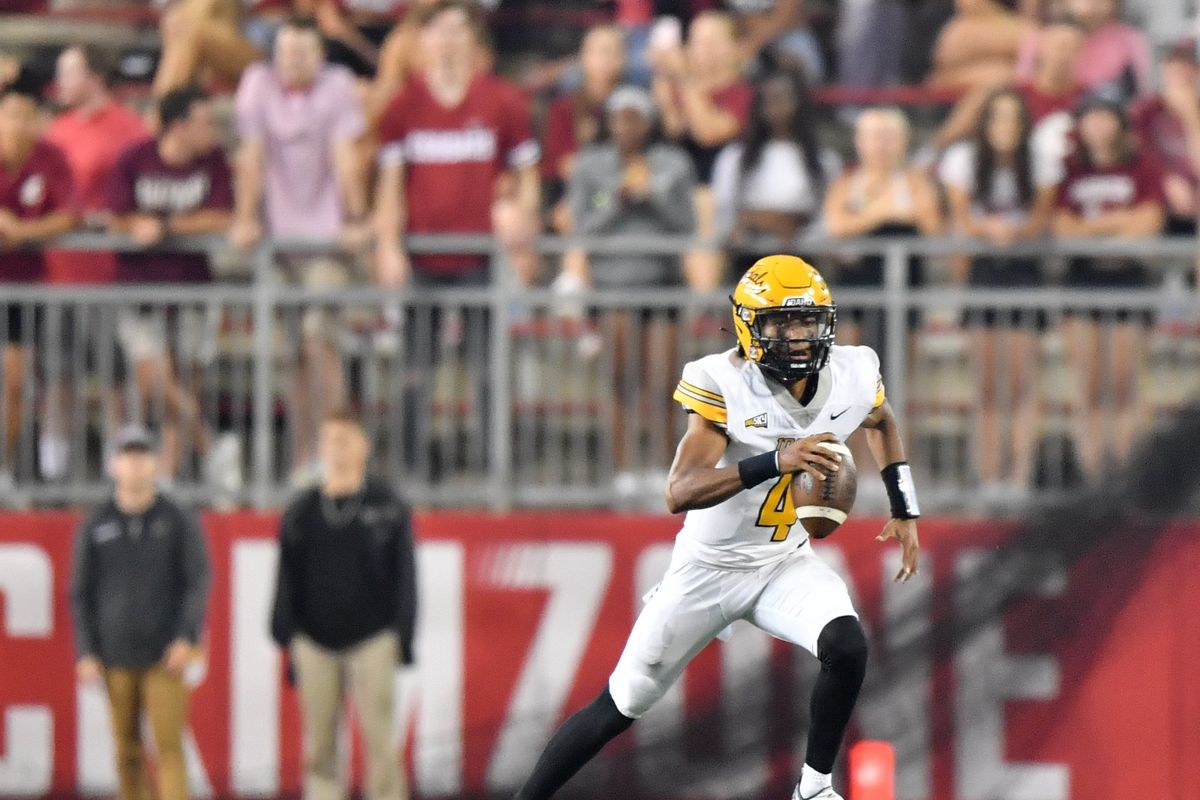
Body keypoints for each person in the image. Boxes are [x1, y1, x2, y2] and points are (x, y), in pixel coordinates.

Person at [513, 255, 922, 800]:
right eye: (782, 322)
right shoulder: (721, 382)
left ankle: (815, 788)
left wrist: (904, 505)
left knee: (847, 646)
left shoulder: (851, 371)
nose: (799, 337)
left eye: (808, 322)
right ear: (750, 326)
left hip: (782, 563)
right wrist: (776, 461)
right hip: (706, 571)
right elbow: (678, 491)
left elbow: (882, 419)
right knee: (620, 705)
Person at [231, 16, 369, 483]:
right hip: (277, 241)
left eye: (302, 52)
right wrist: (247, 217)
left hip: (326, 239)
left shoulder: (339, 86)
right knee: (290, 355)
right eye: (285, 52)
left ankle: (335, 453)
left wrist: (354, 218)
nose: (292, 61)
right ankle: (303, 456)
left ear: (320, 56)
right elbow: (251, 155)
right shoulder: (255, 84)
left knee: (320, 343)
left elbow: (346, 155)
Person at [270, 410, 417, 800]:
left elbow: (404, 574)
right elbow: (287, 575)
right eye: (329, 439)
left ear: (364, 446)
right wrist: (286, 633)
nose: (337, 448)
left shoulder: (387, 505)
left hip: (373, 638)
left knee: (381, 742)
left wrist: (400, 635)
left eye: (345, 439)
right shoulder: (301, 510)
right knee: (319, 748)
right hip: (314, 641)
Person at [107, 86, 240, 491]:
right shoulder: (134, 159)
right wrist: (136, 225)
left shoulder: (213, 161)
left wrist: (164, 227)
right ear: (179, 125)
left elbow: (221, 217)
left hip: (192, 287)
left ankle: (167, 476)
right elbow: (116, 217)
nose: (215, 130)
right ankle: (212, 447)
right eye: (206, 121)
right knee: (155, 379)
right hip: (140, 288)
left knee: (185, 383)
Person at [70, 424, 211, 800]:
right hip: (115, 653)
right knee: (126, 750)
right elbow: (80, 593)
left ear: (155, 463)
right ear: (114, 464)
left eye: (141, 455)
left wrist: (187, 636)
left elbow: (197, 581)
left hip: (165, 653)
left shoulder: (177, 519)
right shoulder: (97, 523)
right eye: (127, 456)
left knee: (168, 745)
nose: (134, 464)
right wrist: (85, 651)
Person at [566, 85, 695, 484]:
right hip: (613, 287)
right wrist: (615, 198)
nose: (626, 127)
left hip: (662, 282)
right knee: (622, 378)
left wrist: (653, 194)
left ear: (649, 122)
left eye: (634, 118)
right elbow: (582, 224)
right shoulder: (591, 166)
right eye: (619, 118)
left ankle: (663, 467)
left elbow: (685, 222)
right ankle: (623, 469)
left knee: (664, 381)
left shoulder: (672, 164)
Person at [939, 88, 1060, 497]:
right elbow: (961, 219)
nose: (1005, 127)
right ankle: (990, 475)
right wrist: (988, 230)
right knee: (988, 383)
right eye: (997, 118)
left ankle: (1020, 475)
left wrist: (1014, 232)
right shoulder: (964, 160)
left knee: (1024, 381)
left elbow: (1042, 218)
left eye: (1013, 119)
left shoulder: (1039, 161)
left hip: (1024, 271)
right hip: (984, 272)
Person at [374, 0, 540, 289]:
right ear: (422, 39)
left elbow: (528, 174)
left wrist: (523, 231)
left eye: (456, 30)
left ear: (472, 38)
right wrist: (389, 246)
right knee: (420, 333)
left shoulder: (503, 100)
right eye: (438, 31)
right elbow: (391, 184)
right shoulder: (403, 106)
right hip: (420, 253)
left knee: (482, 333)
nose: (446, 41)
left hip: (481, 255)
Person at [1053, 95, 1164, 477]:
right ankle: (1094, 473)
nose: (1097, 127)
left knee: (1124, 386)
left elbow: (1148, 223)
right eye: (1090, 119)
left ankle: (1128, 474)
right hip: (1082, 282)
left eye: (1105, 118)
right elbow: (1063, 229)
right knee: (1089, 387)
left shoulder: (1141, 165)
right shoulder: (1071, 169)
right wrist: (1118, 222)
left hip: (1128, 282)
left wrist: (1091, 228)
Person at [0, 73, 77, 492]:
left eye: (25, 116)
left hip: (25, 289)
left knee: (16, 383)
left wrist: (21, 233)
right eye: (9, 115)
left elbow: (71, 213)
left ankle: (6, 467)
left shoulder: (49, 158)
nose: (16, 124)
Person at [651, 10, 753, 290]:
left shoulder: (743, 93)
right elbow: (671, 133)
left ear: (736, 48)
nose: (703, 50)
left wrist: (684, 79)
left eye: (713, 41)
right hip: (672, 190)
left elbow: (708, 133)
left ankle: (703, 313)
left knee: (704, 207)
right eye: (697, 41)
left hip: (727, 195)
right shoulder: (672, 89)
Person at [823, 107, 942, 346]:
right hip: (857, 282)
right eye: (874, 136)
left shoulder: (915, 182)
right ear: (860, 141)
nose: (881, 145)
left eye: (888, 136)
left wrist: (866, 215)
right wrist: (882, 212)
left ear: (903, 141)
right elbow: (835, 225)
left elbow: (933, 226)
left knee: (902, 351)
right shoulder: (846, 183)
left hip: (906, 282)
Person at [712, 65, 838, 262]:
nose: (774, 107)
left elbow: (826, 220)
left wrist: (793, 228)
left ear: (799, 102)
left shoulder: (823, 160)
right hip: (749, 253)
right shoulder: (735, 158)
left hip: (802, 254)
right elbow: (725, 212)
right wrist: (756, 223)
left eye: (781, 98)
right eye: (768, 100)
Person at [935, 16, 1084, 150]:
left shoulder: (1086, 99)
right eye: (1060, 46)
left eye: (1073, 49)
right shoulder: (1010, 92)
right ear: (1041, 46)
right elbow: (956, 134)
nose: (1063, 56)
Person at [542, 24, 625, 233]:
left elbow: (641, 162)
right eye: (598, 52)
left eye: (611, 52)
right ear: (583, 58)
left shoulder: (632, 107)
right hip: (586, 194)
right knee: (573, 211)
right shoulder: (564, 108)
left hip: (623, 193)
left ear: (622, 60)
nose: (604, 61)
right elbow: (563, 165)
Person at [1131, 39, 1200, 238]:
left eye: (1187, 68)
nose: (1180, 75)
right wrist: (1166, 179)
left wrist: (1191, 117)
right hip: (1161, 196)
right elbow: (1139, 160)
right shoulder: (1145, 110)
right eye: (1173, 68)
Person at [1014, 0, 1151, 100]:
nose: (1091, 4)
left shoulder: (1129, 40)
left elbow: (1137, 95)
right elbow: (1025, 82)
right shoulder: (1042, 35)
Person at [153, 0, 264, 96]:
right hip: (209, 53)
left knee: (193, 29)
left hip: (260, 47)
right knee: (180, 21)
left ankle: (162, 107)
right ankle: (165, 106)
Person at [926, 0, 1031, 92]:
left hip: (1010, 87)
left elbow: (1028, 40)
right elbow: (944, 62)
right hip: (951, 89)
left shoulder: (1013, 24)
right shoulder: (956, 30)